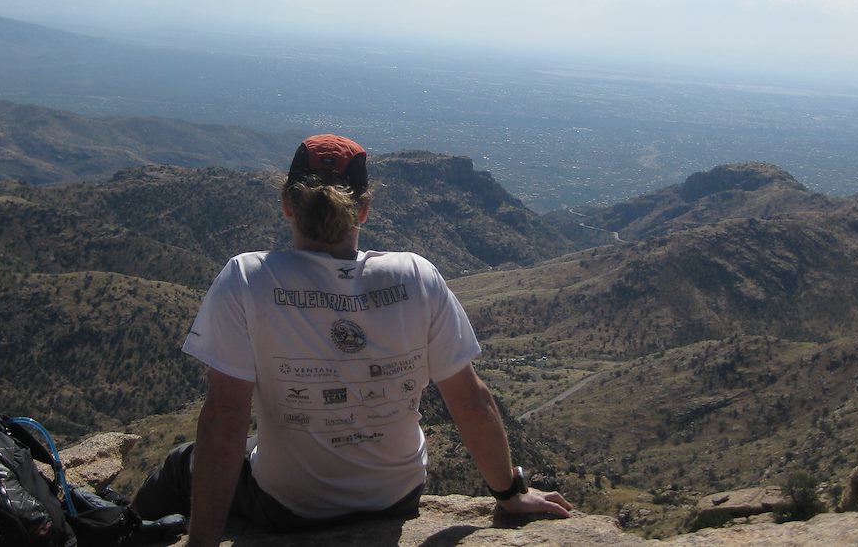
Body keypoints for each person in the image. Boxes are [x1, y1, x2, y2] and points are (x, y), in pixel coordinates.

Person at [135, 134, 572, 545]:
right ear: (363, 210)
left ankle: (120, 531)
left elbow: (225, 417)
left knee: (180, 465)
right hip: (396, 497)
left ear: (287, 203)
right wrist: (510, 493)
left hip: (291, 508)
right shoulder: (417, 276)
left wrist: (203, 542)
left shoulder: (249, 279)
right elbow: (471, 400)